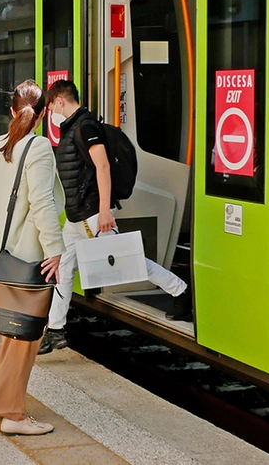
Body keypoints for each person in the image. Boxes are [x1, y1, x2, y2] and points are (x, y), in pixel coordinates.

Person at [40, 80, 191, 356]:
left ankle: (180, 291)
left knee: (129, 261)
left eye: (51, 106)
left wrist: (106, 210)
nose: (51, 112)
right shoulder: (73, 127)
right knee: (63, 271)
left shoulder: (85, 127)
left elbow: (103, 166)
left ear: (60, 100)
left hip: (93, 214)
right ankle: (55, 331)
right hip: (76, 218)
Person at [0, 80, 64, 436]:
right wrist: (55, 250)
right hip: (25, 263)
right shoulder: (38, 148)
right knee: (27, 339)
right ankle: (11, 413)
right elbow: (43, 203)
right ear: (41, 115)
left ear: (12, 110)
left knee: (13, 333)